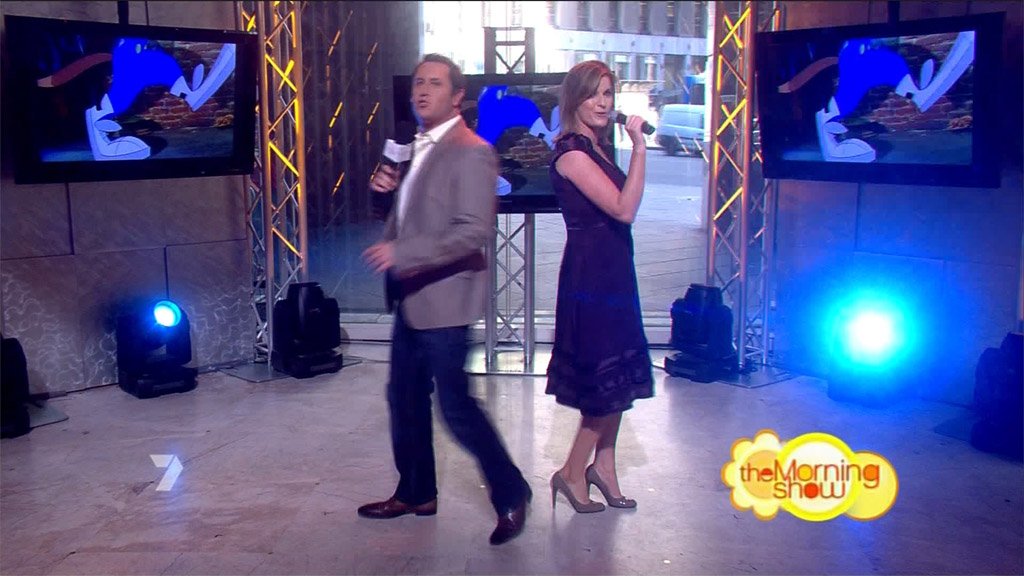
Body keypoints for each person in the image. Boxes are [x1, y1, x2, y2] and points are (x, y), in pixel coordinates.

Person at [359, 53, 532, 546]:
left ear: (457, 96)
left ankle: (512, 492)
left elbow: (472, 231)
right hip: (410, 297)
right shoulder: (412, 147)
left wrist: (403, 253)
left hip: (446, 299)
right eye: (418, 82)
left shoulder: (471, 151)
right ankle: (417, 492)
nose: (421, 90)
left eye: (434, 83)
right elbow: (407, 217)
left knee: (456, 407)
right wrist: (382, 195)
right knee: (404, 398)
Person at [545, 60, 655, 513]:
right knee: (603, 385)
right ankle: (572, 472)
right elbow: (623, 209)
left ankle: (603, 467)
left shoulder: (597, 147)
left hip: (614, 272)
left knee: (621, 378)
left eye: (608, 93)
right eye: (594, 94)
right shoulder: (572, 152)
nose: (603, 103)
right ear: (575, 99)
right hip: (590, 279)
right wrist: (641, 149)